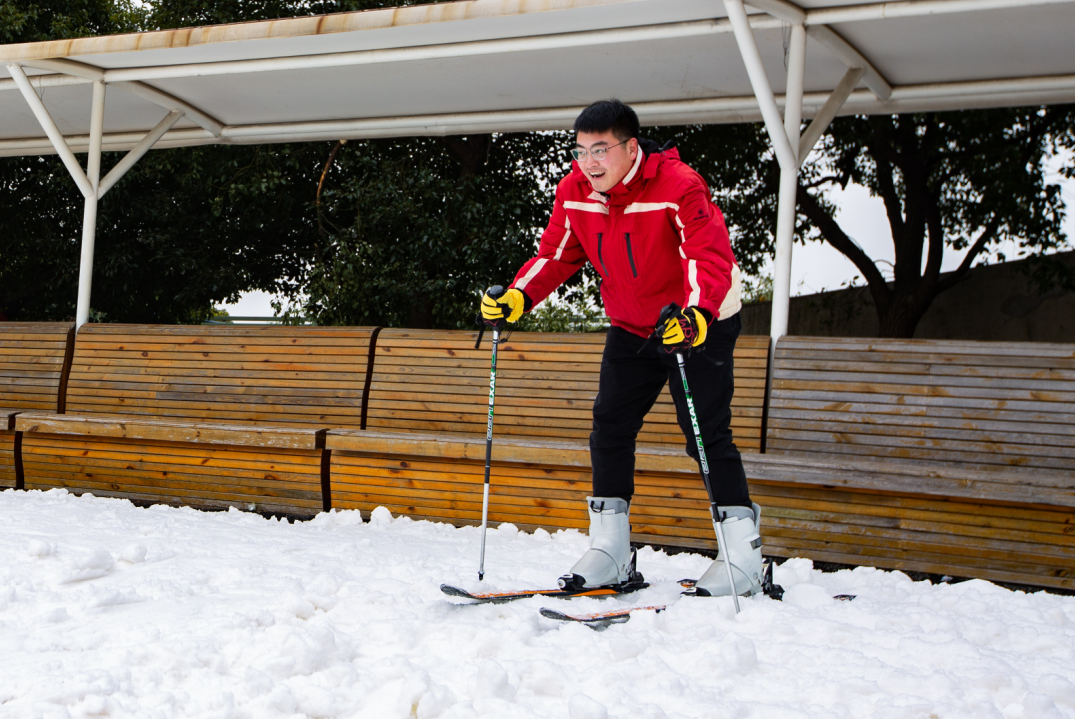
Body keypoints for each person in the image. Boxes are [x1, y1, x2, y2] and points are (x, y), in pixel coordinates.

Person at [480, 99, 762, 598]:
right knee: (609, 425)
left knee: (705, 435)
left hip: (699, 321)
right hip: (631, 325)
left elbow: (709, 257)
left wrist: (696, 317)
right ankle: (611, 550)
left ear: (631, 148)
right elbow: (556, 254)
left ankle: (742, 557)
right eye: (581, 150)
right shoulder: (575, 192)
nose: (589, 162)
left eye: (601, 150)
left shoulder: (679, 186)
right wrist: (520, 296)